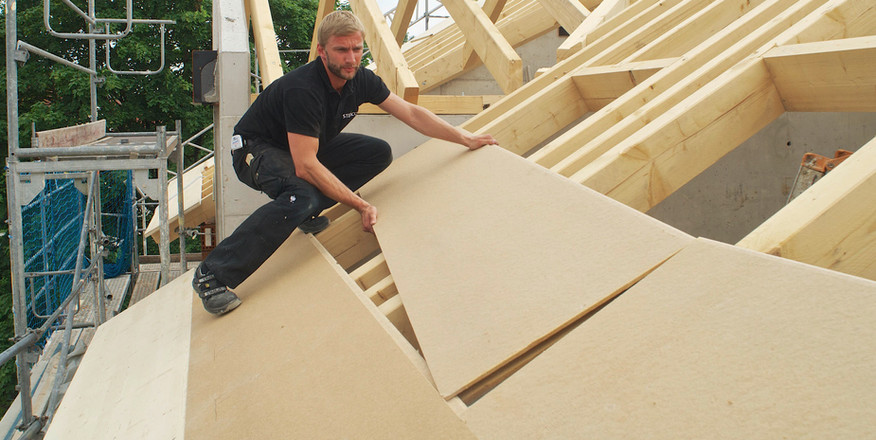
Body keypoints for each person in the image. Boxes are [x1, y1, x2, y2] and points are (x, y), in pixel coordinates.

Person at [192, 11, 498, 315]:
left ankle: (306, 210)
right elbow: (305, 166)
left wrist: (465, 138)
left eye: (356, 49)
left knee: (377, 152)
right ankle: (212, 275)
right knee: (302, 196)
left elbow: (411, 113)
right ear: (322, 51)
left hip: (303, 144)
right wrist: (360, 205)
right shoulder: (304, 89)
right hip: (256, 149)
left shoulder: (360, 79)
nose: (351, 58)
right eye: (341, 50)